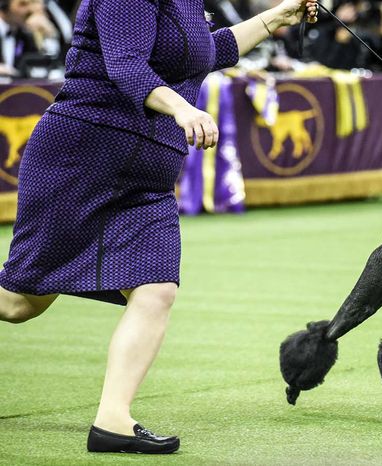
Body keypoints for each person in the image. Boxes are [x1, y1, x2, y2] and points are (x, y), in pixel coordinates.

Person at [0, 0, 318, 455]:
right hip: (82, 158)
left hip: (147, 179)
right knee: (19, 303)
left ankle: (113, 421)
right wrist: (183, 108)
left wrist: (275, 18)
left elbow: (207, 50)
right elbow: (126, 66)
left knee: (157, 290)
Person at [0, 0, 40, 77]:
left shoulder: (26, 35)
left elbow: (36, 66)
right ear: (4, 5)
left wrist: (50, 36)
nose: (30, 10)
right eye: (22, 4)